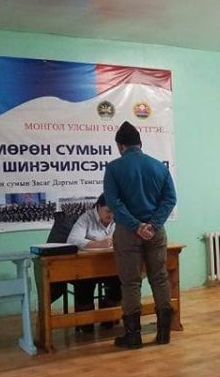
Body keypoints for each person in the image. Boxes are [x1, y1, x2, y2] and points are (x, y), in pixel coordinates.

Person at [103, 121, 177, 349]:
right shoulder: (159, 167)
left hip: (127, 233)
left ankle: (133, 337)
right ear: (140, 143)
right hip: (156, 233)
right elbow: (170, 199)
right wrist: (152, 225)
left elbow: (113, 202)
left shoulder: (114, 168)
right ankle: (164, 334)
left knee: (131, 283)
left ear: (120, 146)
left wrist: (136, 226)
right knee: (160, 278)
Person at [62, 194, 122, 333]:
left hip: (110, 265)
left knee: (122, 278)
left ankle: (108, 313)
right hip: (87, 268)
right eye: (108, 211)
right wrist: (97, 244)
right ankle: (86, 318)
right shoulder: (86, 218)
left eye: (114, 211)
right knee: (84, 281)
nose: (111, 215)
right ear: (98, 207)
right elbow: (72, 240)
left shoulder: (118, 219)